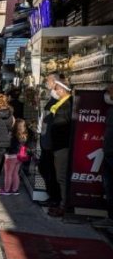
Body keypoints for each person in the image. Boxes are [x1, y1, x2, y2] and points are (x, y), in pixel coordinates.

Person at [44, 79, 73, 217]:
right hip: (57, 145)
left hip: (62, 145)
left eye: (56, 89)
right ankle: (61, 202)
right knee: (58, 175)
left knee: (61, 176)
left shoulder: (67, 104)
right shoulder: (61, 104)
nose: (54, 91)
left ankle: (64, 206)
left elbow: (65, 125)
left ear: (62, 90)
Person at [96, 84, 113, 228]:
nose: (106, 95)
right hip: (108, 153)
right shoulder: (110, 110)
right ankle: (110, 217)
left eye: (109, 91)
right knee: (108, 187)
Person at [1, 119, 30, 196]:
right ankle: (15, 189)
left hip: (11, 156)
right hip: (20, 156)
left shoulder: (12, 134)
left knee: (8, 174)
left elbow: (8, 145)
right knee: (15, 173)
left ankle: (7, 190)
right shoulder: (25, 135)